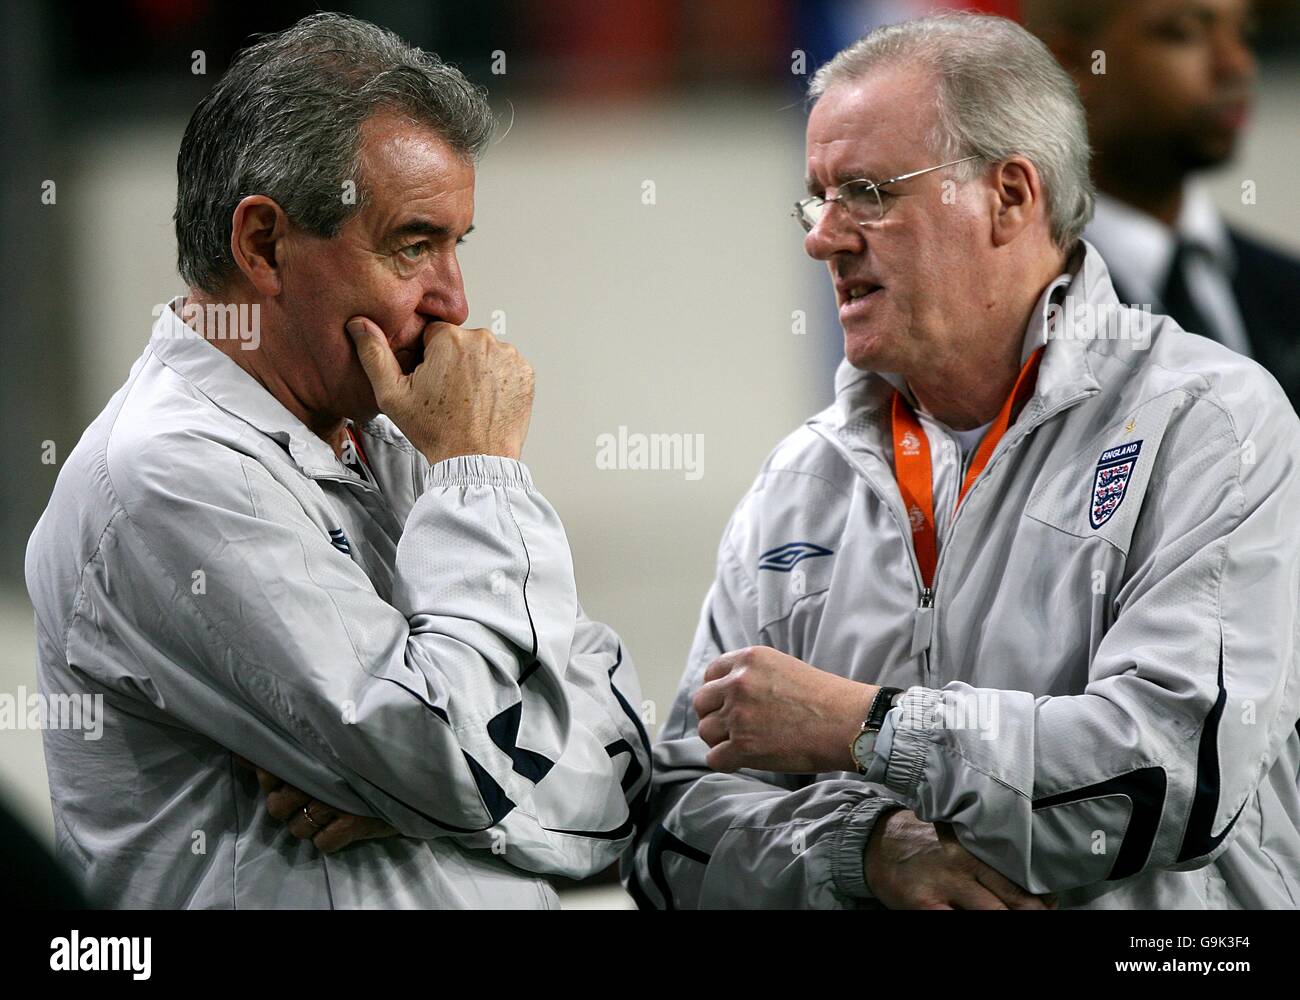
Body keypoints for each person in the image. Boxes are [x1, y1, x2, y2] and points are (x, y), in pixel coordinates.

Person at [626, 12, 1300, 910]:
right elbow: (670, 836)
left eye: (865, 191)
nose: (821, 236)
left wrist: (863, 728)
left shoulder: (1209, 420)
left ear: (1010, 197)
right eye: (816, 196)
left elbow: (1173, 783)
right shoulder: (799, 483)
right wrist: (861, 855)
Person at [25, 13, 650, 909]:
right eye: (412, 245)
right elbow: (471, 765)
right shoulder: (168, 472)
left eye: (456, 244)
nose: (455, 300)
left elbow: (627, 769)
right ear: (263, 245)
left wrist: (427, 798)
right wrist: (481, 474)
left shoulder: (386, 435)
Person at [1024, 0, 1300, 409]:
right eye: (1184, 32)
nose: (1238, 64)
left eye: (1243, 32)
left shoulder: (1287, 290)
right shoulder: (1017, 318)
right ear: (1072, 63)